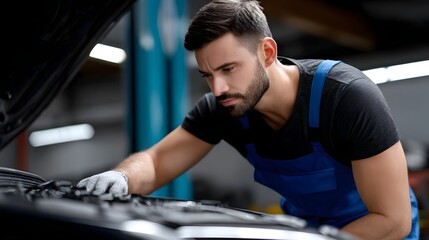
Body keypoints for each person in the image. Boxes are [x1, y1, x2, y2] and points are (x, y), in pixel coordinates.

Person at [77, 0, 419, 239]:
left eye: (228, 69)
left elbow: (392, 220)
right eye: (207, 75)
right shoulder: (225, 106)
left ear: (267, 53)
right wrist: (121, 176)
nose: (218, 87)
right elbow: (158, 159)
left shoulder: (345, 96)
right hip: (306, 231)